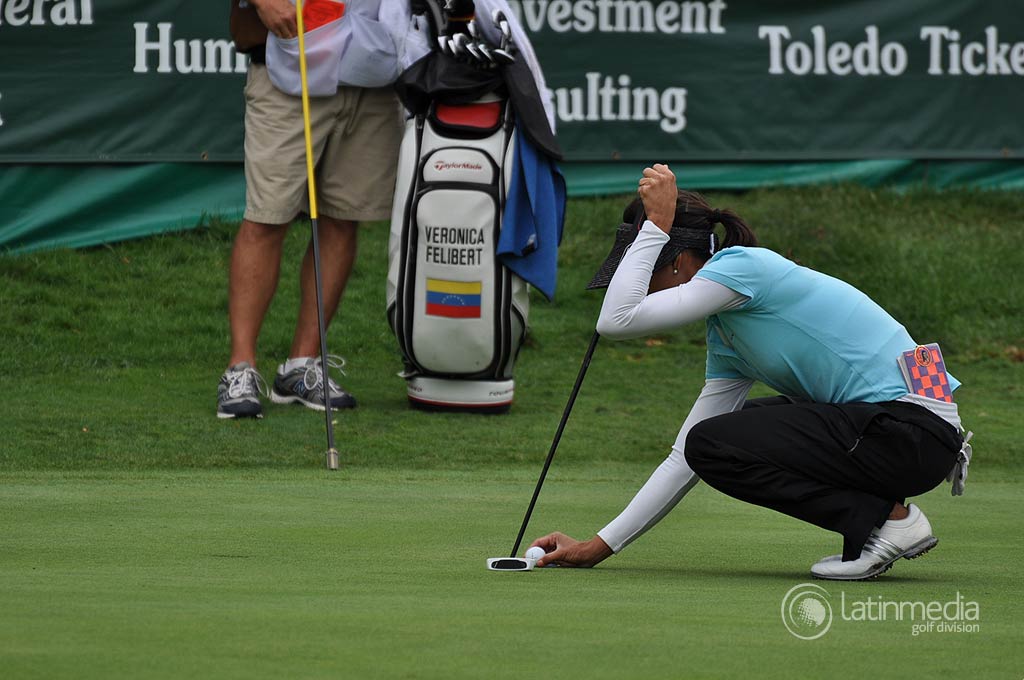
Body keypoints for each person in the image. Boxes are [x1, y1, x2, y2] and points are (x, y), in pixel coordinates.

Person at [529, 164, 971, 581]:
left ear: (678, 260)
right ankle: (885, 520)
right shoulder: (728, 333)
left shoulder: (742, 267)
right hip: (891, 434)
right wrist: (596, 548)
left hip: (914, 432)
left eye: (645, 272)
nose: (640, 288)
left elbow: (615, 320)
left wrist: (657, 224)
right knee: (711, 443)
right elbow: (687, 457)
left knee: (713, 440)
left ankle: (888, 521)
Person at [218, 0, 405, 419]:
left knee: (342, 219)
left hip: (373, 67)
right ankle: (240, 369)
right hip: (289, 59)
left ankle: (301, 367)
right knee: (267, 218)